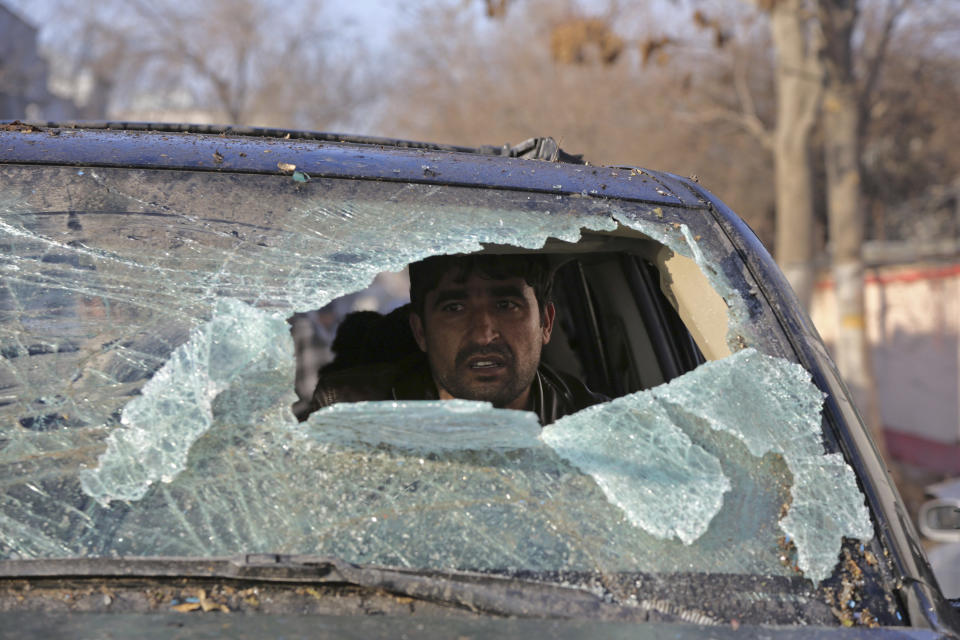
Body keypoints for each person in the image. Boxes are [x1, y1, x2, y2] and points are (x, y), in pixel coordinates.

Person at [306, 254, 605, 425]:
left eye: (506, 305)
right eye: (455, 308)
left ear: (546, 323)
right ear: (420, 331)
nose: (484, 334)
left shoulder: (600, 431)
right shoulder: (348, 416)